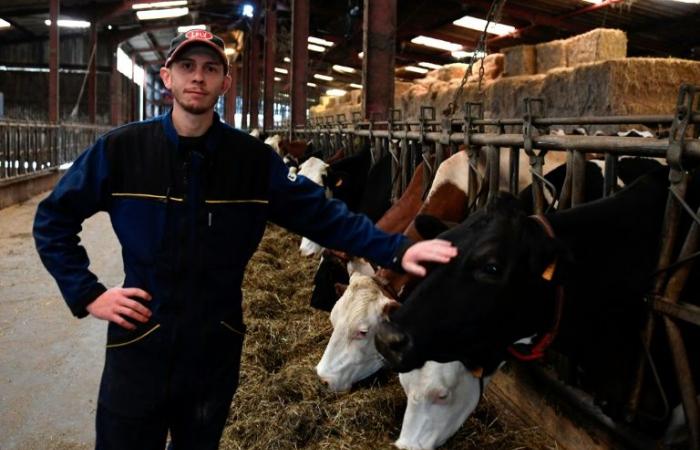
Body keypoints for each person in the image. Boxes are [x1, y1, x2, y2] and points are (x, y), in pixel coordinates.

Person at [33, 30, 456, 450]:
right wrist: (88, 293)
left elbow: (324, 216)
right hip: (139, 339)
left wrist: (398, 249)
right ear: (167, 77)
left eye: (210, 68)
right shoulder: (122, 150)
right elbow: (53, 219)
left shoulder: (252, 161)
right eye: (186, 66)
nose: (197, 77)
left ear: (225, 82)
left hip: (214, 341)